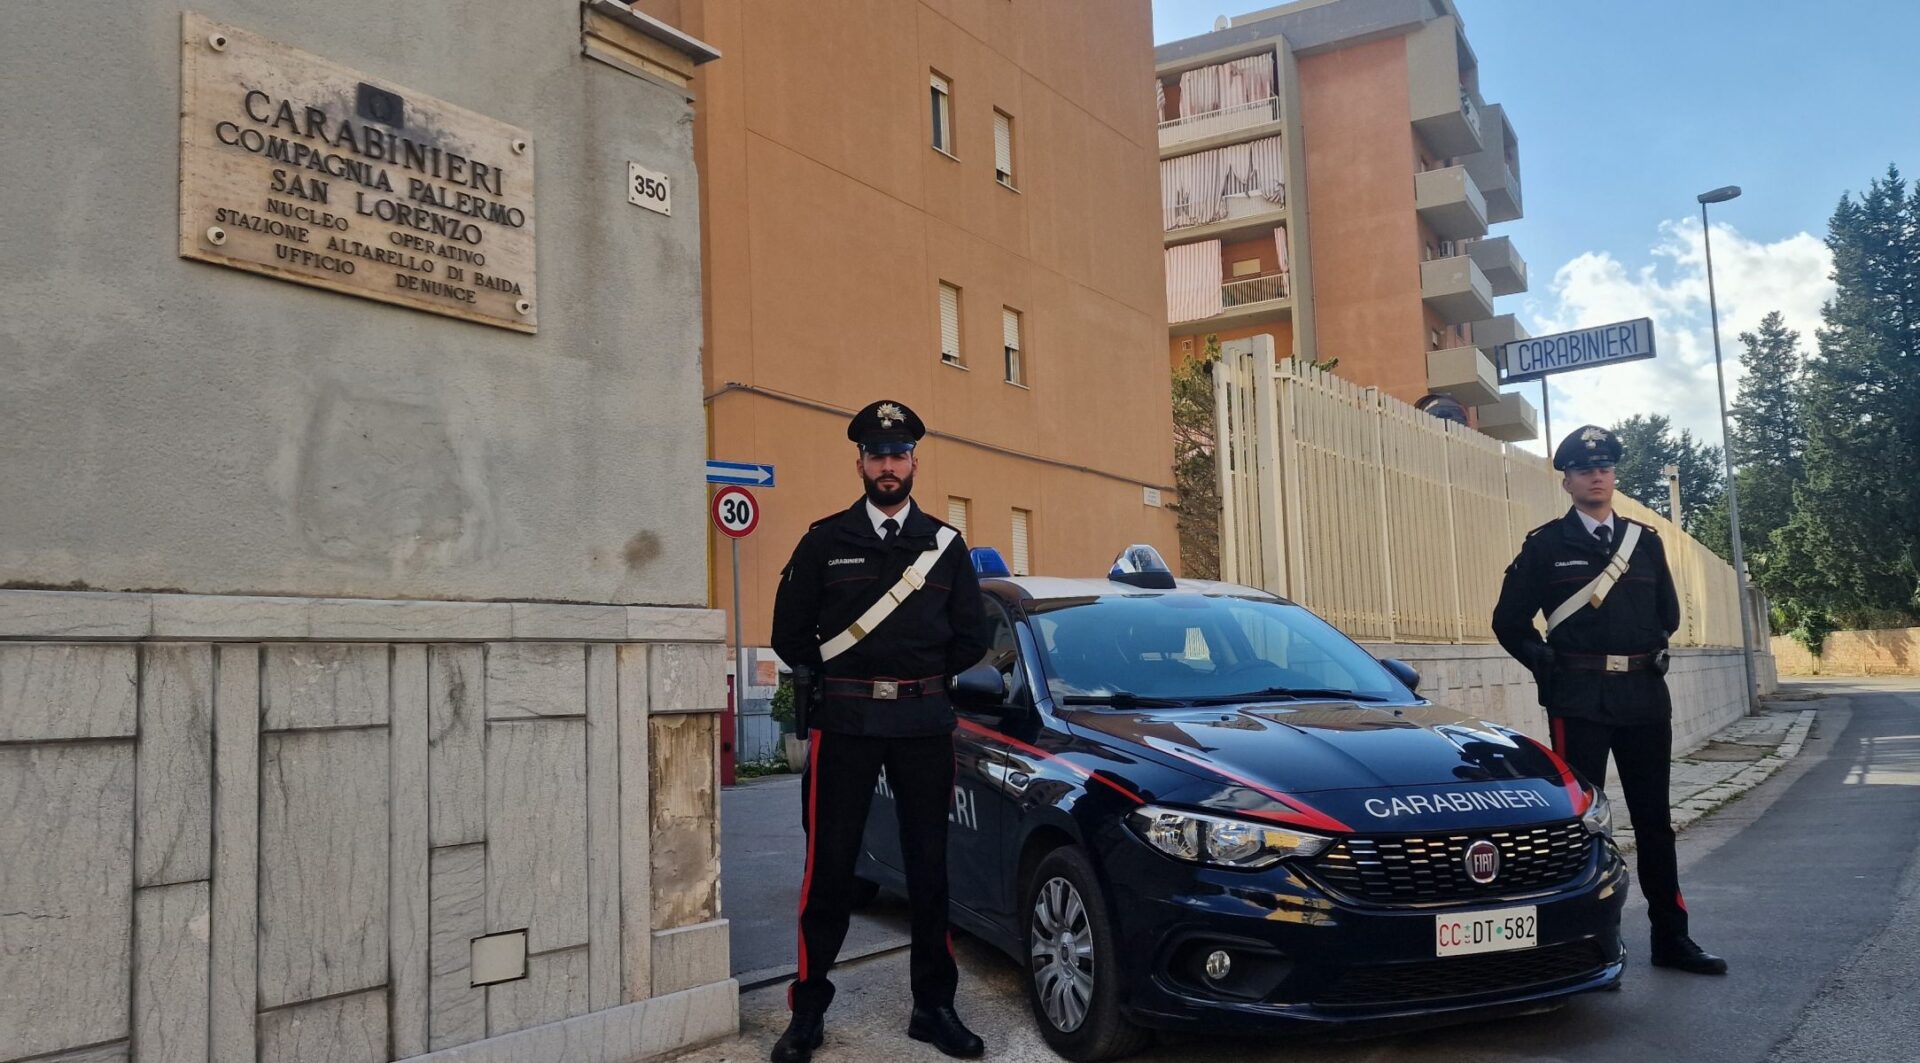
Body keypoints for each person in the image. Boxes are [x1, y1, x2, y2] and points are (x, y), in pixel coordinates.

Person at [768, 399, 991, 1062]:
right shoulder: (825, 540)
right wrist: (849, 680)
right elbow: (789, 634)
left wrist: (919, 678)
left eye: (898, 454)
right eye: (876, 455)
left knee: (930, 869)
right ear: (860, 462)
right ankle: (808, 1012)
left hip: (922, 726)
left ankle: (934, 1008)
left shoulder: (945, 546)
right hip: (846, 723)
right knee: (829, 869)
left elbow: (971, 636)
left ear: (914, 462)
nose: (887, 465)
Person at [1492, 424, 1728, 976]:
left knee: (1654, 821)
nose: (1596, 477)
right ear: (1567, 482)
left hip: (1643, 696)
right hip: (1579, 701)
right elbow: (1509, 623)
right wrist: (1546, 665)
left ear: (1614, 476)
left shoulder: (1645, 541)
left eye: (1604, 469)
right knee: (1582, 823)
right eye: (1584, 470)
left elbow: (1667, 615)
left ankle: (1672, 938)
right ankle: (1586, 944)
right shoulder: (1546, 545)